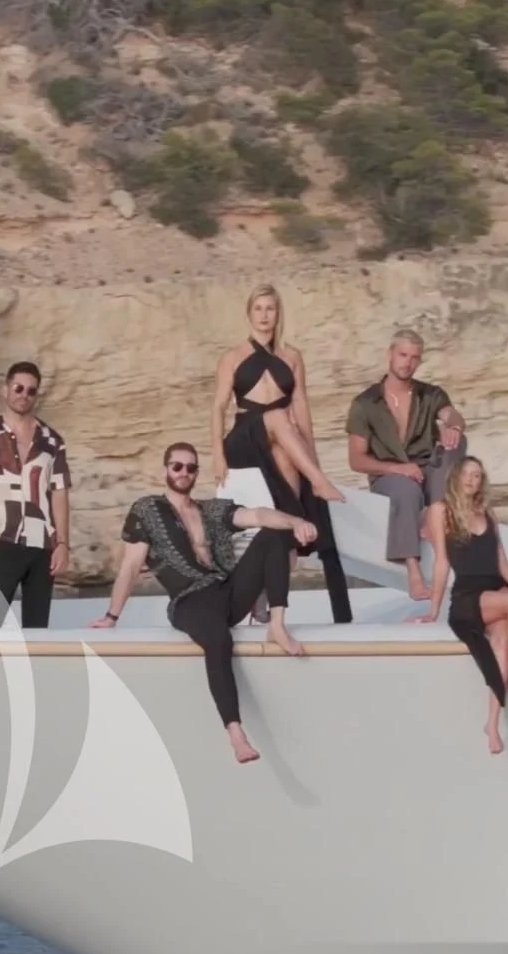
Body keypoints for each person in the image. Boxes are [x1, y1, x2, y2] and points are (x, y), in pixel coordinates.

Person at [92, 443, 313, 766]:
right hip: (189, 601)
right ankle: (236, 733)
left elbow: (258, 515)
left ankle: (277, 626)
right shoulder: (148, 510)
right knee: (219, 639)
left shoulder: (211, 510)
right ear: (165, 470)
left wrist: (294, 522)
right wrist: (112, 616)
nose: (184, 473)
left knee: (273, 534)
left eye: (190, 467)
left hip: (226, 592)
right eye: (177, 466)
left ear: (197, 473)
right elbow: (130, 566)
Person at [209, 284, 351, 623]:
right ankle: (319, 483)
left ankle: (267, 600)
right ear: (249, 313)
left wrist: (311, 457)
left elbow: (301, 406)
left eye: (270, 308)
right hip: (244, 438)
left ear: (278, 313)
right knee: (275, 415)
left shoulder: (292, 356)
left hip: (281, 443)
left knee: (288, 503)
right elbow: (217, 407)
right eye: (258, 308)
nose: (264, 315)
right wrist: (216, 452)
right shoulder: (232, 356)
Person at [416, 456, 508, 755]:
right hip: (467, 597)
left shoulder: (488, 514)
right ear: (456, 477)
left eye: (478, 476)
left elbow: (502, 562)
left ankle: (492, 725)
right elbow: (442, 563)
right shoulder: (441, 510)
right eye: (467, 474)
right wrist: (433, 609)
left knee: (503, 642)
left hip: (494, 592)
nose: (471, 480)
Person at [345, 329, 455, 600]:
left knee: (456, 446)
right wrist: (397, 469)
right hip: (389, 475)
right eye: (403, 355)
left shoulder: (430, 395)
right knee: (406, 491)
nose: (408, 362)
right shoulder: (365, 403)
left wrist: (453, 426)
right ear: (390, 355)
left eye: (415, 357)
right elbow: (356, 459)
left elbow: (451, 414)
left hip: (428, 470)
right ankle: (414, 573)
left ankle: (435, 512)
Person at [0, 361, 70, 628]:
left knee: (37, 628)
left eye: (31, 391)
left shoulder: (52, 441)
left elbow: (59, 494)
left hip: (43, 545)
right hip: (3, 543)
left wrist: (63, 545)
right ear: (5, 389)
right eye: (18, 388)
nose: (24, 395)